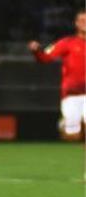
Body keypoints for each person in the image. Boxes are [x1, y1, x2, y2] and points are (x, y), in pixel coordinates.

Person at [29, 9, 86, 141]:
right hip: (71, 94)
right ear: (76, 23)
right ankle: (65, 125)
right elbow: (45, 58)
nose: (85, 23)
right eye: (82, 20)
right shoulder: (67, 43)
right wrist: (36, 51)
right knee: (72, 135)